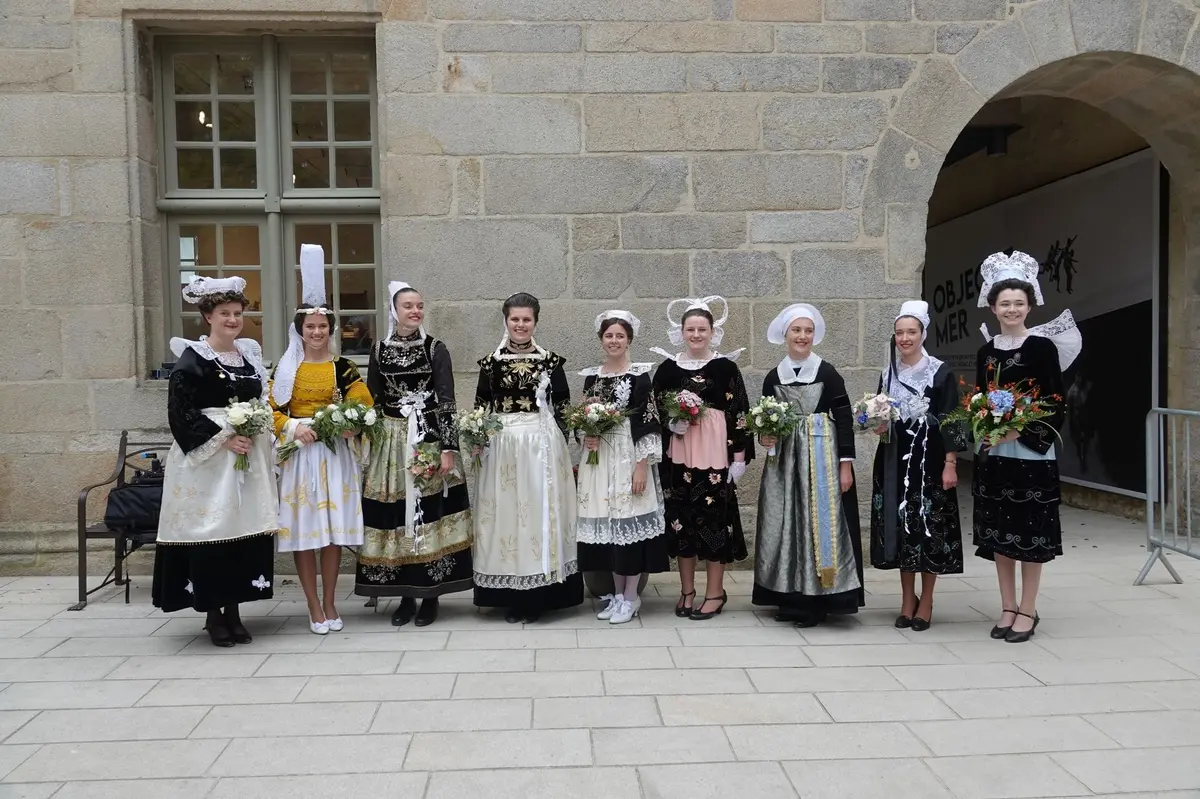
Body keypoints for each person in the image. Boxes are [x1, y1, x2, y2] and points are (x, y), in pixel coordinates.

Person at [152, 276, 277, 647]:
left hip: (246, 456)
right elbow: (181, 412)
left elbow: (262, 401)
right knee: (213, 531)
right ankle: (213, 614)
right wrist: (224, 438)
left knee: (242, 528)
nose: (233, 320)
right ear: (207, 316)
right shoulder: (192, 358)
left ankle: (236, 611)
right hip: (207, 463)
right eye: (224, 313)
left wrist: (258, 428)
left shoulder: (249, 355)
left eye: (237, 313)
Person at [973, 250, 1081, 643]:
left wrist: (1020, 431)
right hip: (997, 453)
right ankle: (1006, 605)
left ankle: (1029, 608)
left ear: (1030, 305)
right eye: (1005, 303)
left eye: (1019, 302)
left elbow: (1055, 401)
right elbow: (982, 399)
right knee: (1001, 533)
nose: (1012, 309)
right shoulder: (986, 352)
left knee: (1030, 534)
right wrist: (986, 426)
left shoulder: (1041, 349)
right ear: (992, 307)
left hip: (1032, 453)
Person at [356, 281, 473, 627]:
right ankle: (405, 594)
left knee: (428, 513)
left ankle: (430, 594)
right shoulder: (378, 351)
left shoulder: (435, 348)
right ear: (395, 311)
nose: (415, 311)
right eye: (408, 306)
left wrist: (448, 448)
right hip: (391, 442)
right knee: (395, 515)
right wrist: (366, 440)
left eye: (419, 306)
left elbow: (447, 400)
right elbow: (372, 400)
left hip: (427, 438)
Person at [269, 244, 371, 635]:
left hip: (334, 455)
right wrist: (295, 427)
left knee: (330, 532)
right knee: (305, 531)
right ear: (300, 330)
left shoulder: (341, 366)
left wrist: (349, 421)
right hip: (301, 455)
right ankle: (311, 603)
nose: (316, 332)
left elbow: (362, 400)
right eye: (310, 327)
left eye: (322, 326)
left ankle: (330, 599)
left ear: (330, 329)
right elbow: (271, 409)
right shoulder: (286, 368)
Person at [751, 303, 864, 628]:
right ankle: (789, 596)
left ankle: (819, 600)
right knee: (785, 523)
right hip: (784, 463)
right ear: (786, 335)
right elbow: (765, 422)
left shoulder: (827, 373)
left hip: (821, 460)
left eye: (808, 330)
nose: (802, 336)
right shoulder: (774, 377)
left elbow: (843, 419)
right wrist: (765, 439)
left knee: (818, 525)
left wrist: (846, 465)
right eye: (797, 330)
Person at [472, 292, 582, 623]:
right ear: (506, 321)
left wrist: (567, 444)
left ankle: (541, 594)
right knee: (507, 516)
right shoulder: (490, 363)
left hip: (542, 449)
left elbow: (563, 407)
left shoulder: (551, 362)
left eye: (527, 319)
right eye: (515, 319)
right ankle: (511, 595)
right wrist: (477, 438)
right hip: (502, 448)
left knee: (539, 516)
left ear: (536, 321)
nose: (521, 325)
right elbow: (481, 405)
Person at [650, 296, 752, 621]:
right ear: (680, 332)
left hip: (714, 458)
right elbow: (654, 412)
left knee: (713, 524)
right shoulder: (666, 370)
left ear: (712, 332)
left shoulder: (726, 368)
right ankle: (687, 591)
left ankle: (714, 593)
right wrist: (671, 422)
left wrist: (739, 456)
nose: (696, 334)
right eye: (690, 329)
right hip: (679, 457)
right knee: (681, 523)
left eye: (702, 329)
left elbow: (739, 412)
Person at [869, 300, 966, 631]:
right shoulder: (888, 373)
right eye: (899, 333)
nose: (905, 338)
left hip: (930, 460)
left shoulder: (940, 371)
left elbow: (953, 420)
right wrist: (877, 423)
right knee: (900, 527)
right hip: (895, 459)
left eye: (911, 332)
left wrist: (951, 463)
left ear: (923, 333)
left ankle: (927, 600)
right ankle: (906, 598)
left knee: (929, 527)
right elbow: (884, 419)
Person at [576, 310, 669, 625]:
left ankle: (632, 596)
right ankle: (617, 595)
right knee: (610, 529)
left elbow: (648, 420)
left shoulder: (640, 375)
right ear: (601, 339)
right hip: (599, 460)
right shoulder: (592, 377)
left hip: (628, 455)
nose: (614, 341)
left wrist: (641, 466)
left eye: (620, 335)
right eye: (608, 335)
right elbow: (582, 415)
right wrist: (586, 435)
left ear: (629, 339)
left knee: (629, 523)